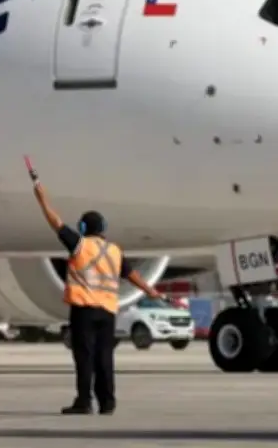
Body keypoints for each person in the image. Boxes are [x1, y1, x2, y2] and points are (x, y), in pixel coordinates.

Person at [27, 162, 170, 415]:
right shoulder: (114, 250)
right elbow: (131, 275)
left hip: (84, 309)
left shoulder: (80, 245)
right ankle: (108, 402)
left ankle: (84, 401)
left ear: (83, 228)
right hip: (107, 311)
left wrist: (42, 199)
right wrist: (151, 291)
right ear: (103, 229)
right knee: (105, 357)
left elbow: (55, 222)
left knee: (84, 356)